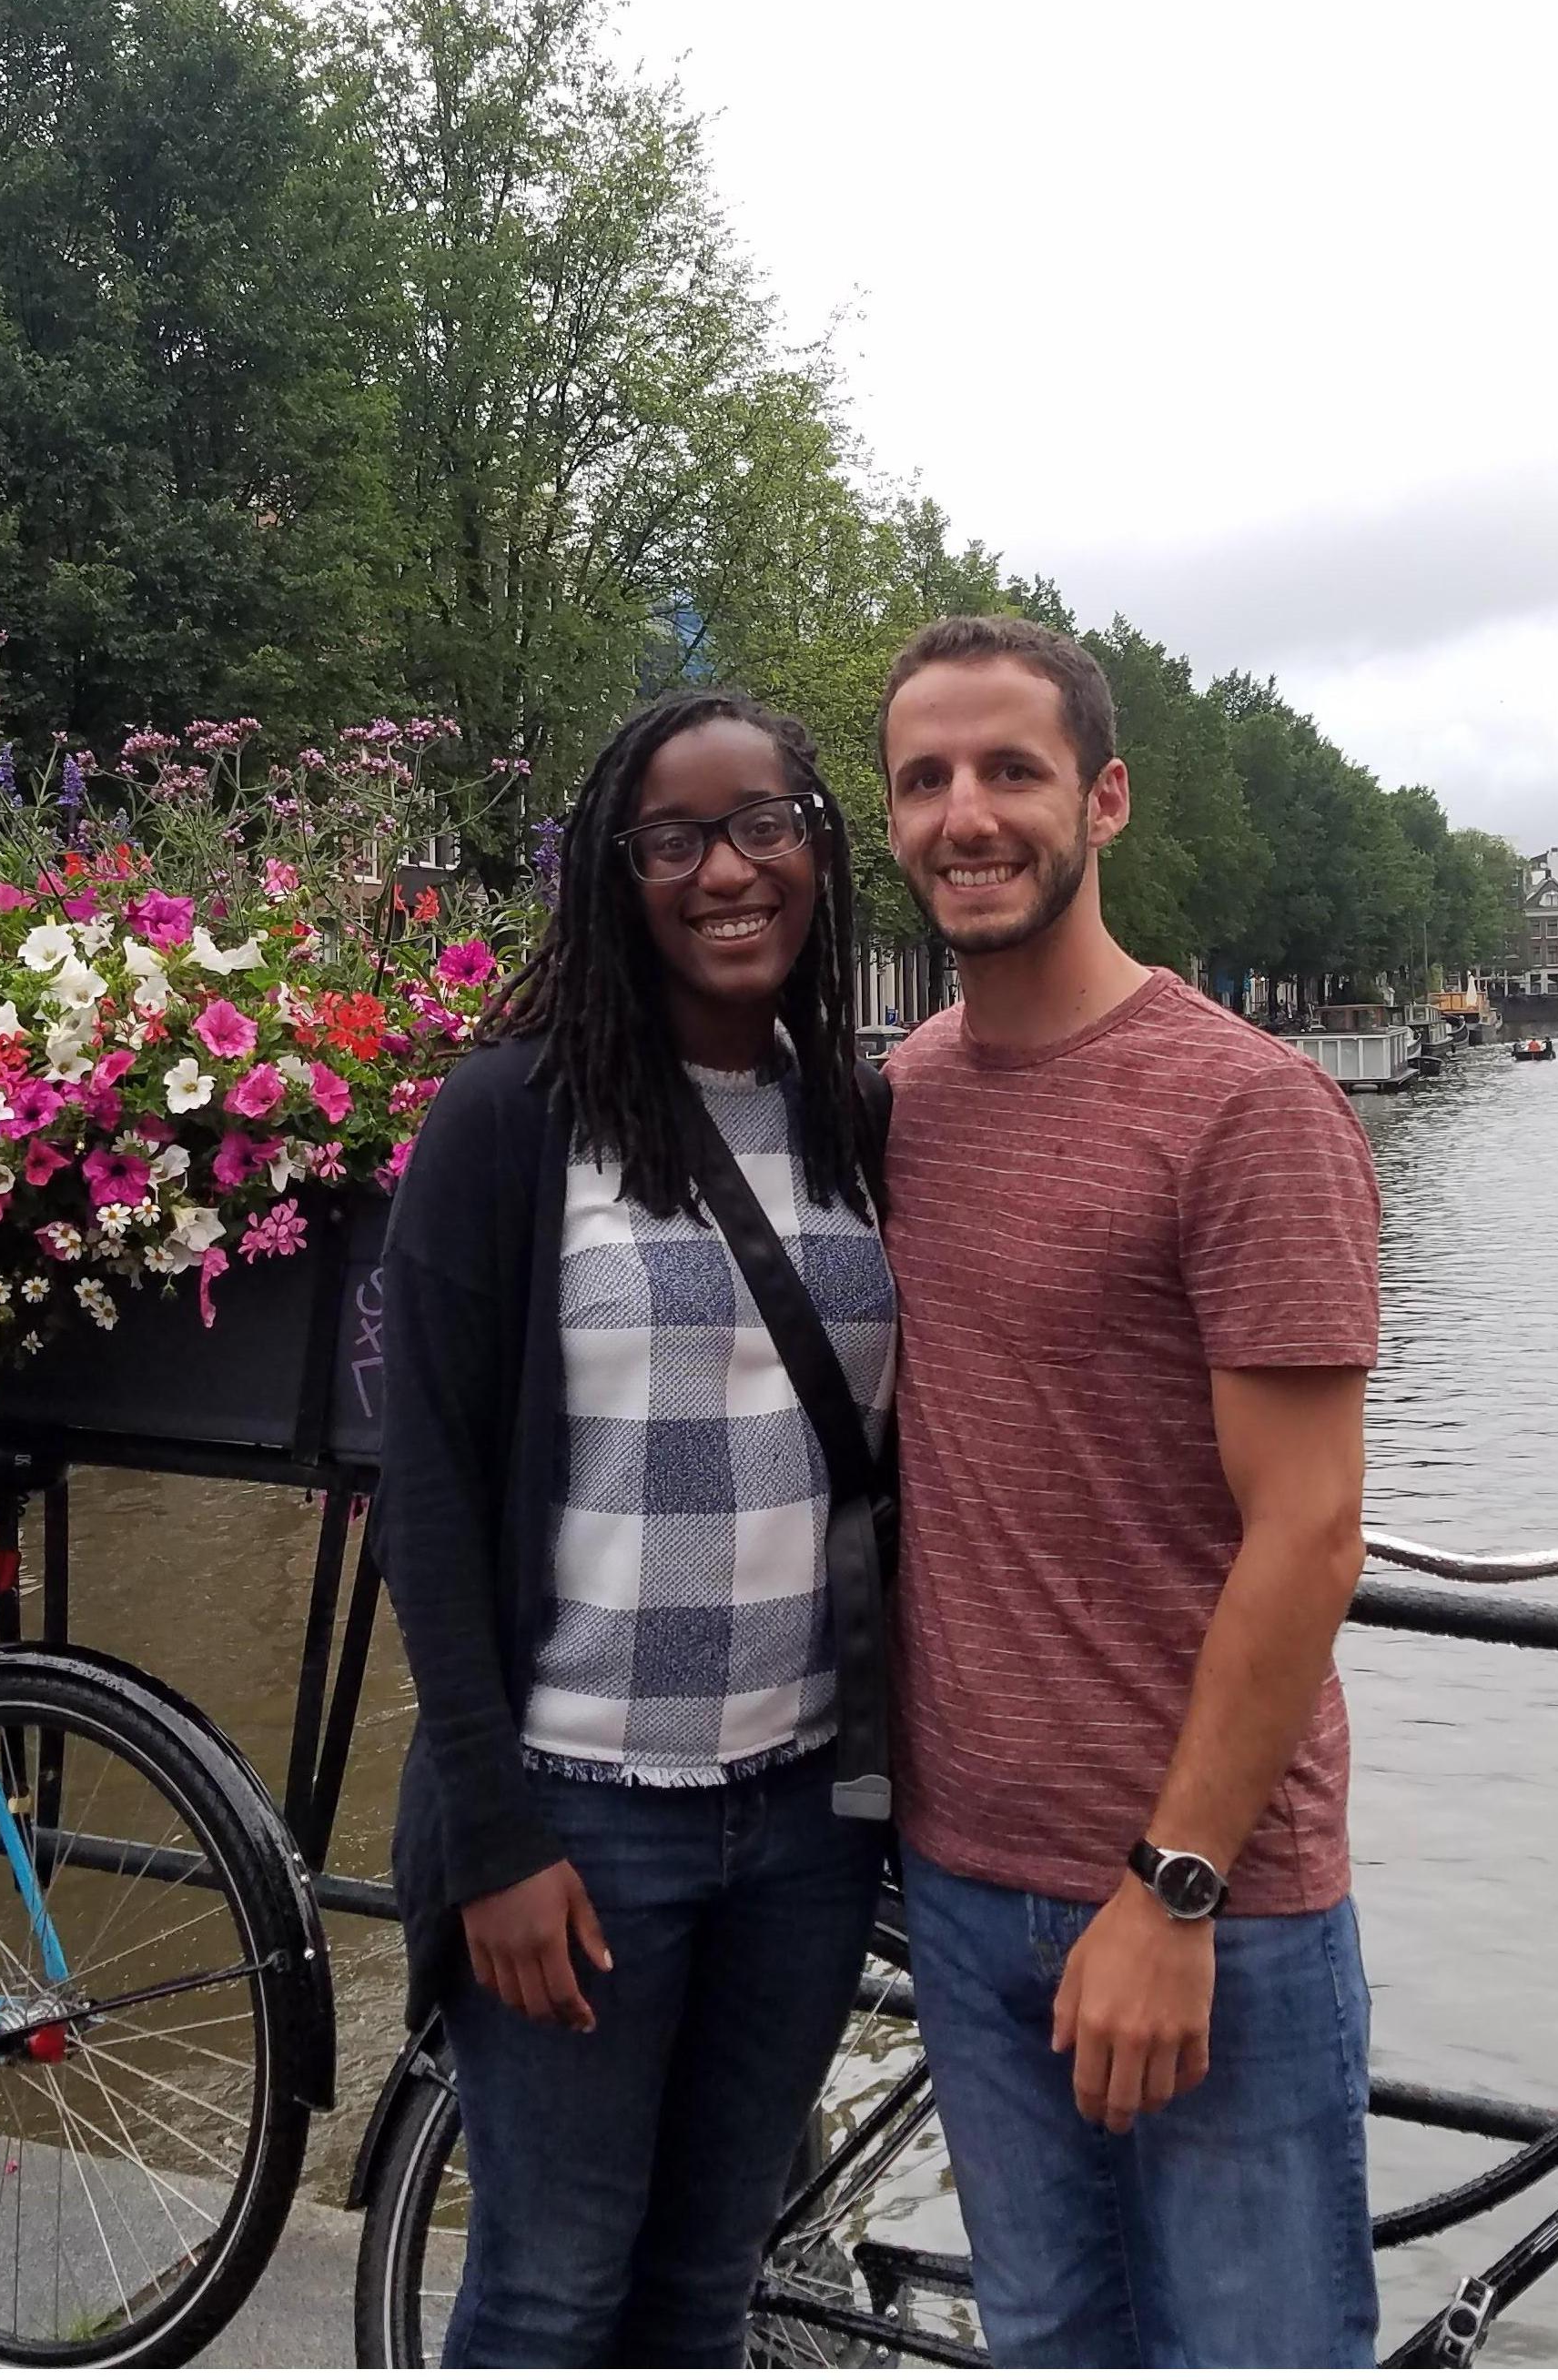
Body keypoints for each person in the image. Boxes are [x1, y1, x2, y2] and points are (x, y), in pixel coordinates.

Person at [876, 614, 1381, 2368]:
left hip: (1206, 1907)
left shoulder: (1248, 1110)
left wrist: (1174, 1891)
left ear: (1104, 801)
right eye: (924, 779)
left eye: (1010, 770)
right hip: (958, 1883)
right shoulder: (893, 1109)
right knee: (1045, 2346)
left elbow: (1313, 1529)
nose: (967, 814)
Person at [373, 688, 895, 2367]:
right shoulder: (510, 1123)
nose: (724, 869)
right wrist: (495, 1838)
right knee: (550, 2284)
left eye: (763, 825)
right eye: (673, 838)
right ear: (617, 873)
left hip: (810, 1819)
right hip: (585, 1816)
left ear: (818, 851)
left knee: (706, 2283)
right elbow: (432, 1501)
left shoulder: (862, 1121)